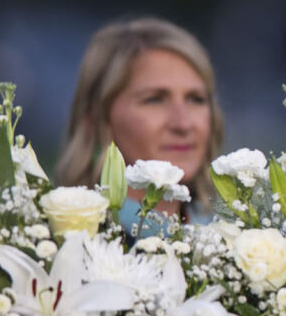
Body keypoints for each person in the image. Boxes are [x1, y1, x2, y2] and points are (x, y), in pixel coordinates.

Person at [58, 17, 223, 223]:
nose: (183, 124)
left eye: (196, 99)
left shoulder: (234, 234)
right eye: (154, 99)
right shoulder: (68, 235)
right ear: (97, 117)